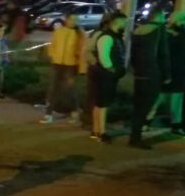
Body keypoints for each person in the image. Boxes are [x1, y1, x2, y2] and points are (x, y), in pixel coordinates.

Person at [128, 8, 170, 149]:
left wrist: (136, 69)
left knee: (138, 105)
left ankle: (134, 135)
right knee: (146, 106)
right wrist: (167, 75)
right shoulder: (159, 30)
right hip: (153, 73)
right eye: (163, 17)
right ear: (158, 17)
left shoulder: (138, 30)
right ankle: (136, 138)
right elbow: (163, 54)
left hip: (139, 73)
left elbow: (133, 55)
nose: (164, 20)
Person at [85, 11, 127, 144]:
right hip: (105, 75)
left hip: (104, 74)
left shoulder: (113, 36)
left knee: (100, 103)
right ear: (116, 22)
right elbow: (104, 57)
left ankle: (96, 130)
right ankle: (101, 133)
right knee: (103, 104)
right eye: (123, 22)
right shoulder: (107, 37)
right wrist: (112, 69)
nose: (125, 24)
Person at [40, 13, 86, 124]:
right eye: (72, 19)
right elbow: (52, 45)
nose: (74, 22)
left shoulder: (79, 34)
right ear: (66, 20)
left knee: (69, 90)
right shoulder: (59, 31)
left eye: (76, 20)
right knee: (53, 89)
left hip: (71, 65)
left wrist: (82, 68)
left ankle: (75, 112)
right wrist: (53, 56)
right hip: (57, 64)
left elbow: (82, 52)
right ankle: (48, 114)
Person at [158, 11, 185, 136]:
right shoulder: (167, 35)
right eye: (183, 21)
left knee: (175, 101)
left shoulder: (182, 35)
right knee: (160, 98)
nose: (184, 23)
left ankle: (176, 124)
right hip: (169, 71)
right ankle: (146, 121)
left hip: (179, 72)